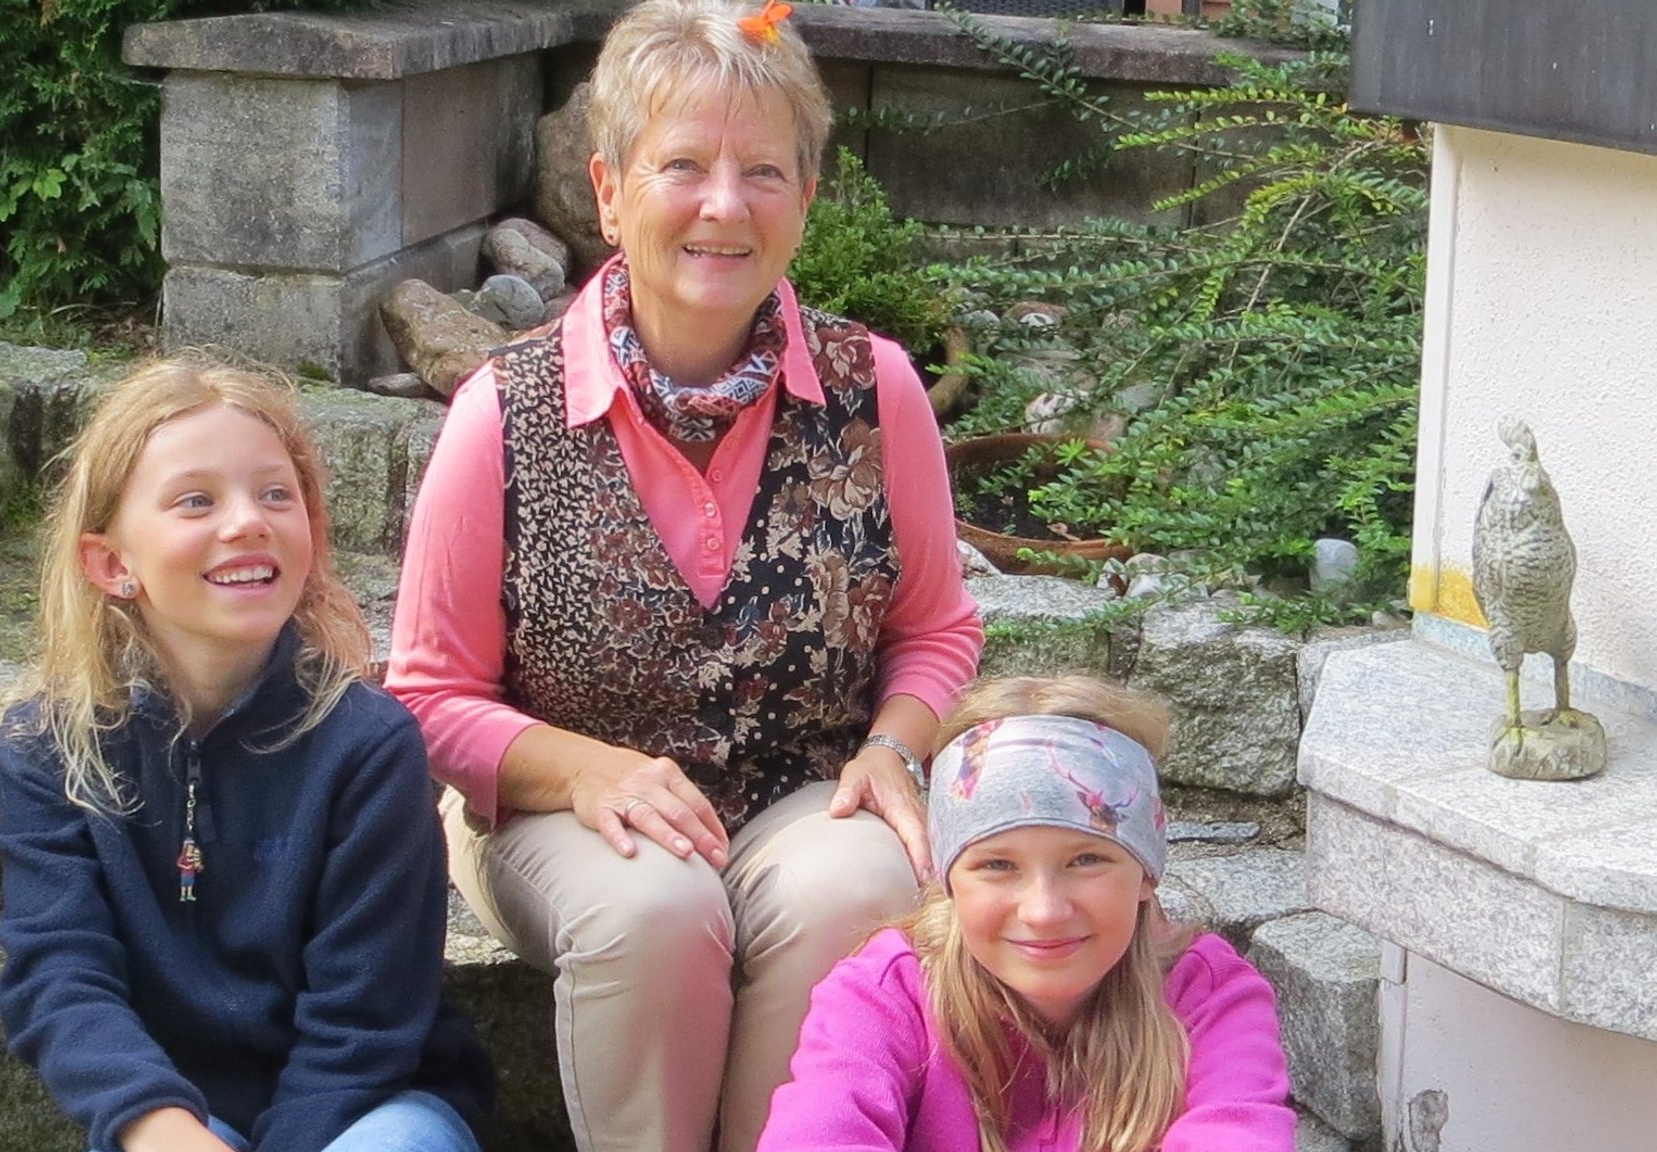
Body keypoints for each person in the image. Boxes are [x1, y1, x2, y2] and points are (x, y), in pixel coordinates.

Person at [383, 1, 983, 1148]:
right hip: (565, 815)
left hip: (804, 790)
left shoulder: (878, 389)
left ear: (804, 202)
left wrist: (893, 747)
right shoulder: (500, 414)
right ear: (607, 191)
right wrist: (583, 770)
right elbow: (427, 696)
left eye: (763, 171)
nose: (724, 204)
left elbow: (936, 629)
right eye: (683, 166)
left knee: (854, 889)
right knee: (655, 910)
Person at [0, 359, 494, 1152]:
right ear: (111, 563)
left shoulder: (369, 746)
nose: (247, 521)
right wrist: (160, 1125)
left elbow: (364, 1019)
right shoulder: (48, 750)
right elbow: (61, 978)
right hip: (174, 1115)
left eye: (274, 494)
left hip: (374, 1104)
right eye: (197, 500)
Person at [757, 677, 1296, 1152]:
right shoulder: (885, 994)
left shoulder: (1207, 996)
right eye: (997, 865)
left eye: (1086, 859)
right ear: (948, 879)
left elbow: (1240, 1129)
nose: (1043, 911)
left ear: (1147, 871)